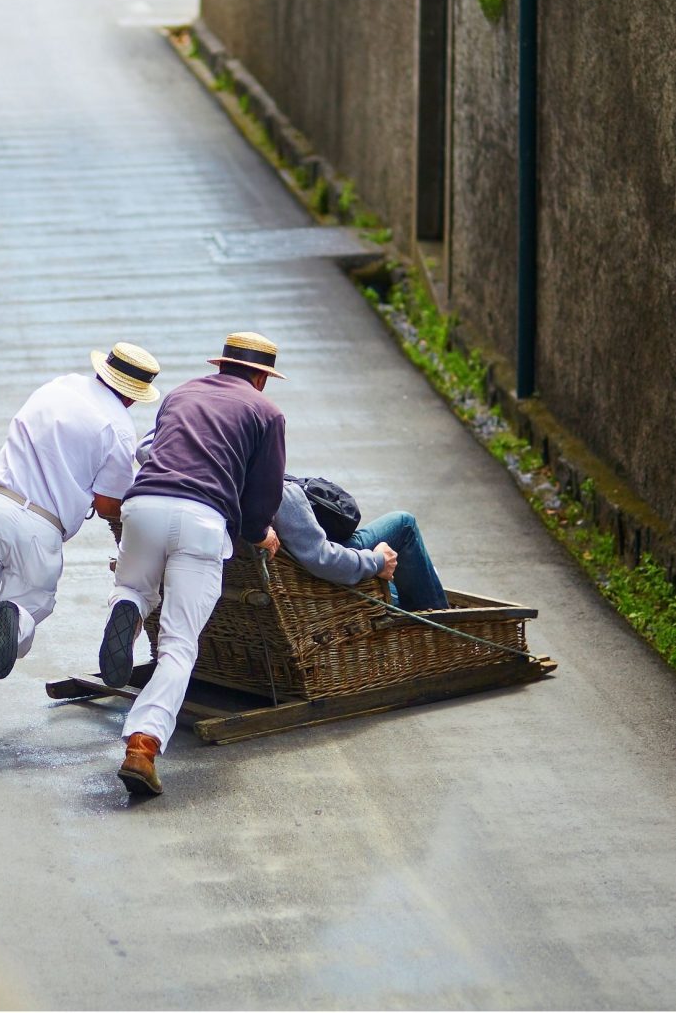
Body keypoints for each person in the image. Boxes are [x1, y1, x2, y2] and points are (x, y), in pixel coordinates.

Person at [0, 342, 161, 743]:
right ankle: (7, 618)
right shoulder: (118, 427)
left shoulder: (57, 387)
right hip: (42, 527)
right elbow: (109, 501)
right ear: (134, 393)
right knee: (32, 605)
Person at [99, 331, 287, 798]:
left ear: (221, 365)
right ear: (261, 377)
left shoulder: (182, 393)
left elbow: (149, 449)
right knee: (180, 645)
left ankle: (128, 606)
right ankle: (142, 745)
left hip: (143, 506)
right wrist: (259, 531)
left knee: (136, 588)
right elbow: (263, 493)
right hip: (203, 519)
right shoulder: (266, 412)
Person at [273, 478, 449, 610]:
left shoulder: (247, 487)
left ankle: (415, 581)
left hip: (291, 565)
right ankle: (441, 630)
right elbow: (323, 559)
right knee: (404, 523)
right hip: (310, 575)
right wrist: (377, 560)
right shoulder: (280, 491)